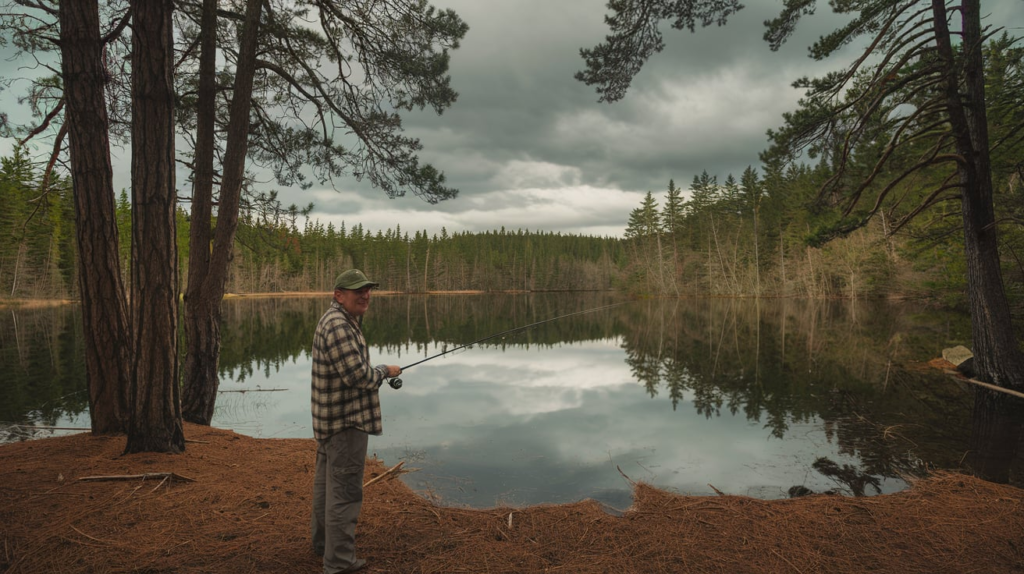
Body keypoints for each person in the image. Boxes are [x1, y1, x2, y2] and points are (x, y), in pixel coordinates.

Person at [311, 269, 401, 573]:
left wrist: (375, 370)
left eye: (367, 290)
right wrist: (385, 371)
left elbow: (352, 370)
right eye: (357, 291)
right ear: (339, 295)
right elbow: (357, 376)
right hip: (344, 424)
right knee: (345, 492)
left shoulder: (340, 320)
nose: (365, 295)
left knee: (328, 487)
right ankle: (338, 562)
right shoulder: (338, 324)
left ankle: (324, 546)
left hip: (331, 421)